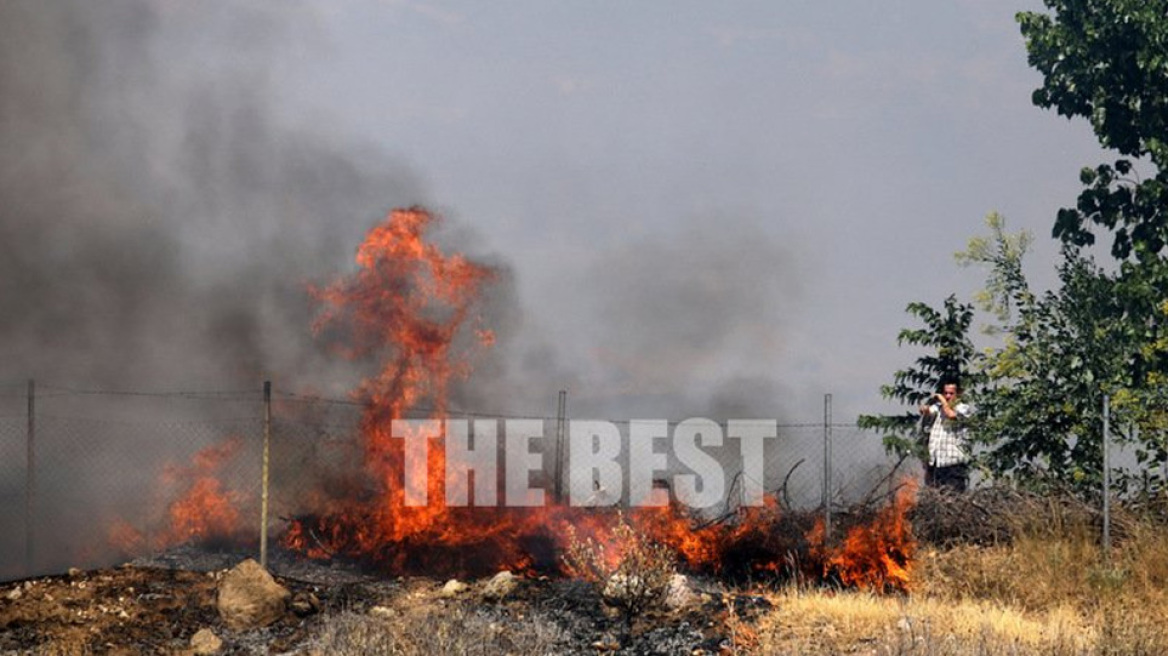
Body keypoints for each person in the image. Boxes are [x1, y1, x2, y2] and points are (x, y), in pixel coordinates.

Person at [919, 379, 974, 492]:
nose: (948, 396)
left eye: (951, 393)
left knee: (954, 496)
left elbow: (951, 415)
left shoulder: (963, 408)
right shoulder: (938, 408)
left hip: (954, 463)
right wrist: (925, 408)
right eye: (945, 393)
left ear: (958, 394)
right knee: (936, 495)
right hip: (937, 462)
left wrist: (942, 400)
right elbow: (928, 411)